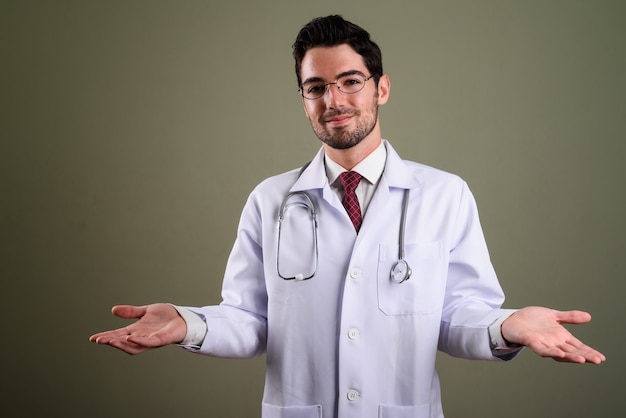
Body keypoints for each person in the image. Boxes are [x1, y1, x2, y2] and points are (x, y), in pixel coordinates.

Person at [90, 15, 605, 418]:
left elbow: (456, 316)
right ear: (303, 99)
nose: (333, 101)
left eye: (350, 81)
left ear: (381, 88)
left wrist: (508, 325)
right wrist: (188, 323)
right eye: (315, 87)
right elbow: (249, 320)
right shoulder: (271, 201)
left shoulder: (445, 195)